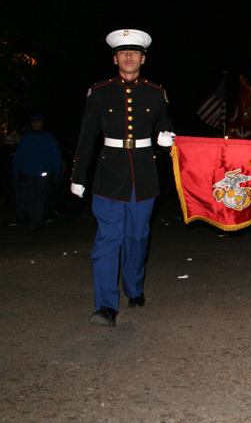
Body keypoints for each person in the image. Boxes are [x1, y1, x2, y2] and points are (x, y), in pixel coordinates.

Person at [71, 29, 175, 327]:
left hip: (143, 175)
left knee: (138, 237)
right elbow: (86, 136)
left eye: (134, 52)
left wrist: (165, 135)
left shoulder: (155, 92)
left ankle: (133, 287)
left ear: (143, 57)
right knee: (108, 239)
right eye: (122, 52)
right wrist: (78, 176)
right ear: (114, 57)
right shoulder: (100, 91)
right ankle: (105, 306)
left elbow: (164, 122)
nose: (128, 57)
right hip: (108, 175)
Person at [11, 115, 62, 230]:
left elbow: (55, 155)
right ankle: (33, 221)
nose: (36, 124)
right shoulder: (26, 138)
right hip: (29, 173)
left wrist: (57, 171)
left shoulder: (48, 138)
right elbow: (19, 156)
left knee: (39, 197)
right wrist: (15, 172)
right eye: (34, 122)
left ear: (42, 124)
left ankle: (37, 222)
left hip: (43, 173)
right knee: (30, 197)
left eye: (38, 122)